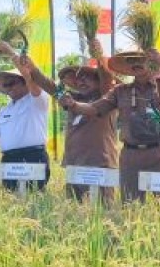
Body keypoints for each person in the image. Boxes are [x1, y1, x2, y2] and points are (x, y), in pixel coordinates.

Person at [60, 47, 160, 202]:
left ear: (151, 63)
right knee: (130, 206)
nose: (136, 64)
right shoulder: (120, 91)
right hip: (130, 155)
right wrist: (73, 105)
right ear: (127, 68)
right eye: (131, 61)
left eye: (141, 60)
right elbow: (94, 108)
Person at [21, 39, 119, 202]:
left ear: (98, 81)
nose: (81, 82)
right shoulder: (71, 98)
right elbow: (50, 86)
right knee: (75, 207)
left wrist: (100, 57)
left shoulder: (106, 97)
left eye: (87, 78)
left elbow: (107, 77)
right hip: (74, 163)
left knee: (102, 211)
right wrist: (31, 68)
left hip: (99, 163)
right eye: (79, 79)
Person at [0, 43, 51, 191]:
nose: (8, 88)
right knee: (11, 198)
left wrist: (11, 53)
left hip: (32, 156)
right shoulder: (4, 111)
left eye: (12, 83)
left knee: (33, 199)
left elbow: (30, 76)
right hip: (9, 159)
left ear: (25, 83)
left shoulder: (37, 100)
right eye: (5, 86)